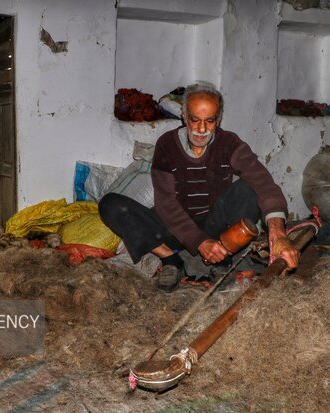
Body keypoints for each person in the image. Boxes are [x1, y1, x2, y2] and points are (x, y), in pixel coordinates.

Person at [99, 82, 299, 291]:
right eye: (195, 120)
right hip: (175, 228)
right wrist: (199, 242)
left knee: (248, 189)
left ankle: (221, 257)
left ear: (218, 119)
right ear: (184, 116)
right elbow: (166, 202)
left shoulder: (229, 143)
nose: (202, 129)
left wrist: (278, 234)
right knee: (110, 205)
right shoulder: (167, 145)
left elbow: (264, 183)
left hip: (215, 224)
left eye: (209, 121)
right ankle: (171, 260)